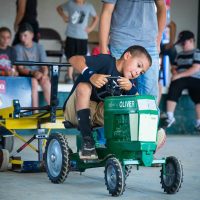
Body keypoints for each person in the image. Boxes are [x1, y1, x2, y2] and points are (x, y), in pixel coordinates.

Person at [63, 45, 152, 159]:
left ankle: (129, 144)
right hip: (75, 111)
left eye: (141, 72)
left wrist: (131, 89)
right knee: (84, 87)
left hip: (98, 116)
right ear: (127, 55)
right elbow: (74, 59)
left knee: (128, 104)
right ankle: (87, 142)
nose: (137, 73)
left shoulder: (129, 82)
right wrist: (92, 76)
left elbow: (139, 104)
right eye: (138, 66)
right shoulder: (107, 61)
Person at [99, 0, 166, 100]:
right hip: (121, 43)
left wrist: (158, 39)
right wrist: (103, 49)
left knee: (150, 97)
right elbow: (106, 11)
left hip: (149, 45)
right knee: (117, 95)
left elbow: (162, 7)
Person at [163, 30, 200, 131]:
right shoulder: (179, 54)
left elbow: (196, 68)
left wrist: (178, 75)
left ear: (191, 40)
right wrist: (174, 71)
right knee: (174, 86)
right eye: (181, 43)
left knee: (198, 95)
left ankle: (199, 122)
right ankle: (169, 117)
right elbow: (174, 67)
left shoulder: (197, 52)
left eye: (184, 43)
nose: (182, 45)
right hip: (180, 79)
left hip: (195, 78)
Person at [57, 0, 99, 84]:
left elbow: (96, 18)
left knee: (82, 57)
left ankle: (81, 76)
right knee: (70, 56)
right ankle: (69, 76)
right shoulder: (70, 3)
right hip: (71, 35)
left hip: (82, 36)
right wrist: (64, 16)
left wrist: (90, 28)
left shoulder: (88, 6)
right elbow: (59, 8)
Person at [14, 23, 51, 108]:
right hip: (26, 75)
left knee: (46, 81)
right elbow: (20, 69)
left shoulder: (39, 47)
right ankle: (35, 112)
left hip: (39, 74)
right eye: (21, 36)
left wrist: (44, 75)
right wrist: (33, 73)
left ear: (32, 35)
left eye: (25, 35)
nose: (22, 38)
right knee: (33, 82)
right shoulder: (17, 48)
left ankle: (53, 111)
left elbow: (44, 66)